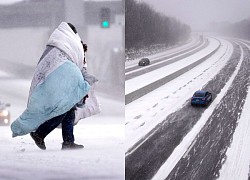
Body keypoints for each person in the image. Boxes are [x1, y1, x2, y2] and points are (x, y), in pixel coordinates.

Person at [11, 22, 90, 150]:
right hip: (60, 81)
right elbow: (78, 62)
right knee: (63, 108)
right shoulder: (69, 43)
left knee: (68, 108)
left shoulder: (55, 45)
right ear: (71, 32)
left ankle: (68, 141)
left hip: (54, 81)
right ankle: (40, 133)